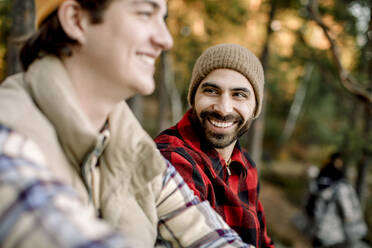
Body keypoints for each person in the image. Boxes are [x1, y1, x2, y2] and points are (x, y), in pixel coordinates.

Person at [0, 1, 251, 247]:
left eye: (162, 18)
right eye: (144, 13)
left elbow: (209, 236)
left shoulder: (134, 148)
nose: (166, 40)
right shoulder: (8, 139)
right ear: (76, 20)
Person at [155, 44, 275, 248]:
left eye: (239, 95)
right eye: (211, 91)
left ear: (255, 107)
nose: (223, 108)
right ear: (193, 97)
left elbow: (263, 242)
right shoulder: (172, 157)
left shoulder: (246, 164)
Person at [304, 152, 367, 247]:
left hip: (320, 216)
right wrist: (348, 216)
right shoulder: (336, 176)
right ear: (336, 160)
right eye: (340, 160)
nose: (341, 162)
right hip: (330, 218)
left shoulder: (325, 173)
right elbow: (343, 199)